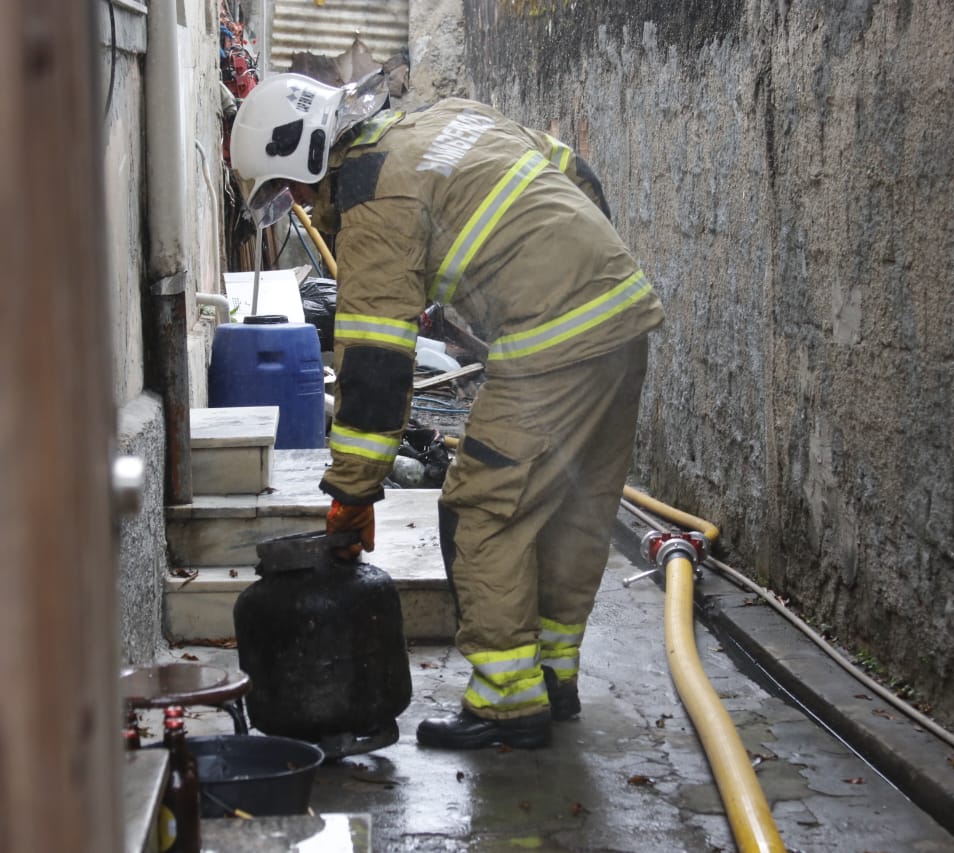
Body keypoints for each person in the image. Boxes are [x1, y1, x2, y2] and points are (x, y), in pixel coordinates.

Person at [230, 72, 664, 750]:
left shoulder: (374, 195)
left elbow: (375, 366)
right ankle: (552, 677)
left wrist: (351, 494)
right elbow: (575, 174)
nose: (305, 205)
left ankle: (506, 703)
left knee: (480, 507)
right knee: (571, 503)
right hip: (622, 316)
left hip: (554, 339)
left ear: (310, 153)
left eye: (295, 189)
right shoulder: (450, 116)